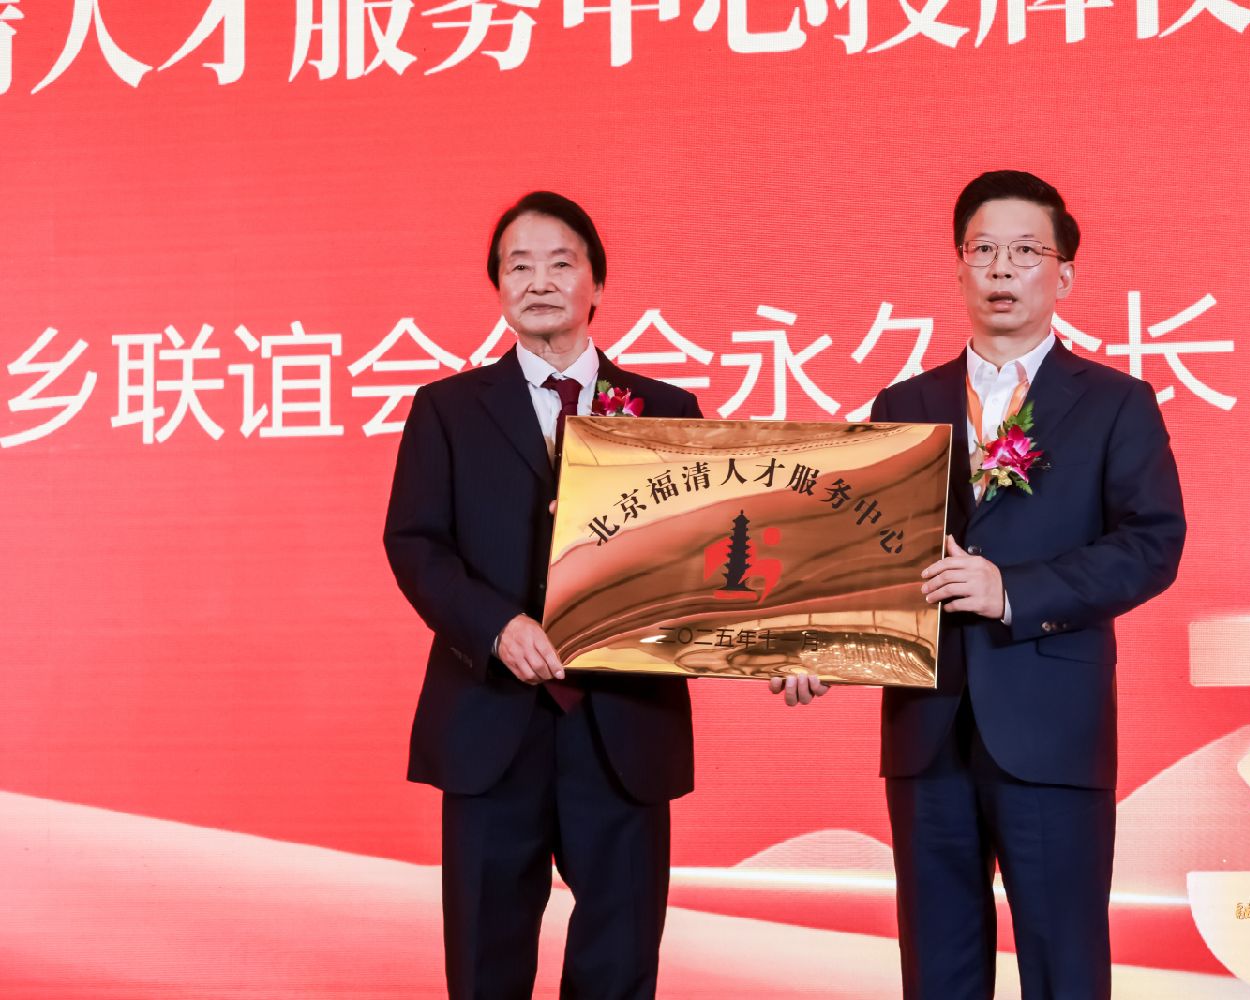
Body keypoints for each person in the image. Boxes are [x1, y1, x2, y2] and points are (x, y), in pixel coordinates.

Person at [774, 170, 1186, 999]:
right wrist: (818, 643)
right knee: (938, 971)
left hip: (1052, 727)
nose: (1002, 269)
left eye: (1026, 252)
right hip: (927, 730)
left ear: (1064, 275)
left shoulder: (1115, 403)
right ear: (958, 267)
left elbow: (1152, 545)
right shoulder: (905, 403)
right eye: (983, 250)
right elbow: (864, 550)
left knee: (1064, 969)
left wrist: (1012, 592)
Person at [385, 191, 703, 1000]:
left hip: (622, 726)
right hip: (492, 721)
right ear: (497, 287)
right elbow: (416, 545)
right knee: (485, 964)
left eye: (560, 263)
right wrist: (495, 627)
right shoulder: (447, 411)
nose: (538, 281)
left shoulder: (669, 411)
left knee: (620, 963)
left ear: (597, 282)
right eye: (517, 266)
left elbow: (700, 558)